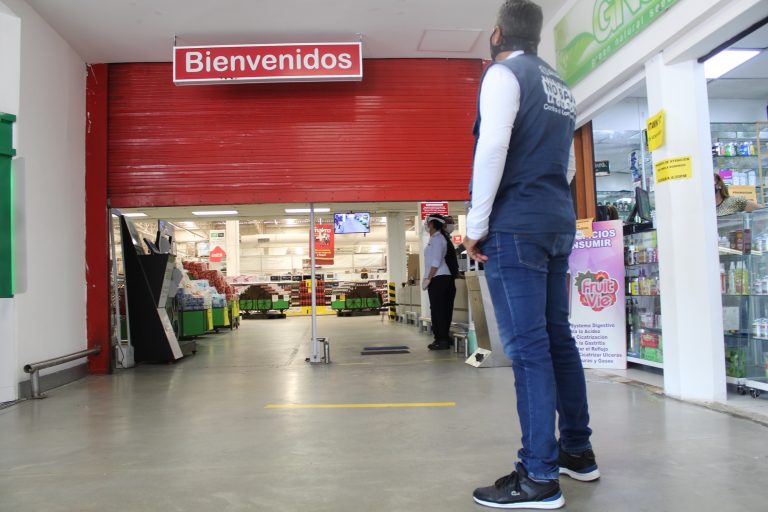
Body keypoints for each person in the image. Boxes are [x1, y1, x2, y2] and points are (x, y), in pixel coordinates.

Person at [463, 1, 598, 509]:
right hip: (555, 222)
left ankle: (539, 476)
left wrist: (476, 227)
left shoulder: (503, 74)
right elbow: (565, 163)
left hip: (516, 225)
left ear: (497, 32)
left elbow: (493, 147)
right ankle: (577, 453)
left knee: (528, 349)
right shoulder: (560, 86)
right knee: (557, 339)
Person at [422, 214, 456, 350]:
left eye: (428, 223)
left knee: (439, 310)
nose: (427, 225)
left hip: (439, 278)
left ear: (432, 224)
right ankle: (442, 338)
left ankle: (441, 340)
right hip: (440, 278)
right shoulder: (437, 239)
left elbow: (436, 262)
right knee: (440, 309)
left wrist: (428, 278)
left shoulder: (438, 239)